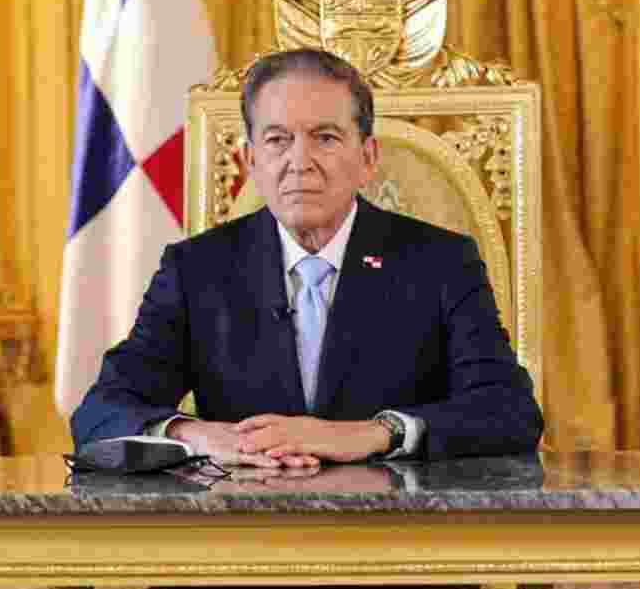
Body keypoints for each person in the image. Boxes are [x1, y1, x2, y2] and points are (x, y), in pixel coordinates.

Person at [71, 48, 543, 467]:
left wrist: (370, 435)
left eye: (326, 137)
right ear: (251, 162)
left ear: (368, 158)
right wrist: (199, 437)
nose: (300, 161)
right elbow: (101, 411)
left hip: (401, 539)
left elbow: (509, 410)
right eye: (277, 139)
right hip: (243, 540)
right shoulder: (196, 269)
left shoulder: (440, 262)